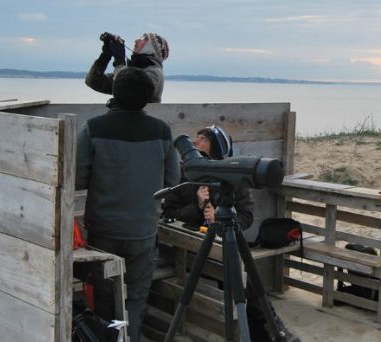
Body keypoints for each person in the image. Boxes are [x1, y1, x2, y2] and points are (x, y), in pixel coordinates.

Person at [160, 126, 299, 342]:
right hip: (190, 248)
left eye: (203, 139)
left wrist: (222, 217)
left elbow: (246, 217)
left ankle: (267, 330)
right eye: (195, 138)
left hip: (222, 245)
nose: (196, 142)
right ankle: (273, 328)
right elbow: (168, 212)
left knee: (241, 276)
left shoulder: (233, 178)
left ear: (215, 147)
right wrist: (197, 207)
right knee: (239, 275)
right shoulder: (186, 177)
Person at [75, 67, 180, 342]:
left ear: (115, 93)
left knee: (104, 298)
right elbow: (173, 179)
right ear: (147, 98)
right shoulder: (161, 130)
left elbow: (76, 177)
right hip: (143, 232)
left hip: (103, 232)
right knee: (135, 298)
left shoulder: (93, 128)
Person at [86, 32, 168, 104]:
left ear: (152, 48)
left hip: (138, 121)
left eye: (144, 39)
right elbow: (93, 81)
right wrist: (105, 56)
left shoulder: (155, 73)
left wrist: (120, 62)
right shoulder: (131, 72)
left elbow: (128, 91)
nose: (136, 40)